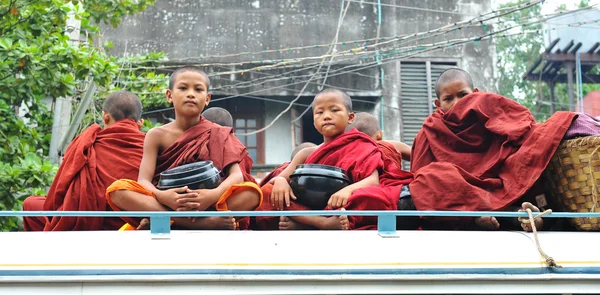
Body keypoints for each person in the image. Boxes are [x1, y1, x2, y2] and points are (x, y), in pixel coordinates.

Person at [408, 68, 577, 231]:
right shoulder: (430, 131)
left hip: (501, 184)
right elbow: (420, 176)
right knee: (430, 178)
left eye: (463, 95)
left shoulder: (488, 109)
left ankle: (525, 217)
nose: (457, 103)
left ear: (475, 93)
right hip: (462, 193)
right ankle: (499, 216)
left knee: (531, 156)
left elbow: (522, 129)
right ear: (438, 104)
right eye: (448, 99)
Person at [105, 66, 262, 230]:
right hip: (169, 203)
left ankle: (169, 220)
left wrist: (212, 195)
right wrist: (164, 196)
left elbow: (236, 176)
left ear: (207, 98)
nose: (191, 94)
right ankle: (198, 223)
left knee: (252, 193)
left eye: (198, 89)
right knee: (118, 190)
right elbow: (143, 180)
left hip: (209, 203)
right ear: (169, 95)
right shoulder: (156, 135)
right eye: (183, 88)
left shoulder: (218, 132)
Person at [255, 88, 412, 230]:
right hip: (308, 202)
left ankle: (305, 223)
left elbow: (373, 181)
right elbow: (281, 177)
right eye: (319, 113)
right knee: (268, 192)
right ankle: (320, 223)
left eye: (335, 110)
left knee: (371, 197)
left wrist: (348, 190)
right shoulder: (306, 153)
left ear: (350, 117)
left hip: (342, 202)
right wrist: (282, 182)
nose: (327, 116)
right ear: (314, 121)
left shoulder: (361, 145)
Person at [22, 91, 146, 231]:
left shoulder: (88, 142)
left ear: (105, 117)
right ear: (140, 123)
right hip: (131, 223)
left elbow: (60, 190)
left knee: (30, 205)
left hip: (84, 220)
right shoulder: (150, 145)